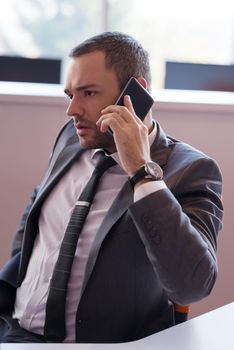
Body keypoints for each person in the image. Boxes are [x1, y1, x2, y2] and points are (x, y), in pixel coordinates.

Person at [0, 31, 223, 344]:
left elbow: (192, 285)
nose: (72, 110)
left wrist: (141, 172)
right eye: (70, 95)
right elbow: (37, 213)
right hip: (16, 330)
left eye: (89, 93)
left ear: (136, 92)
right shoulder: (71, 137)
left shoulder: (192, 170)